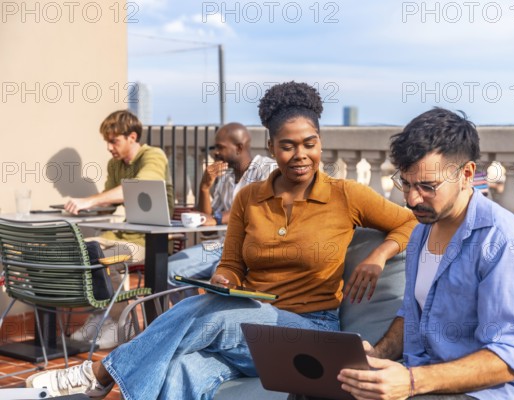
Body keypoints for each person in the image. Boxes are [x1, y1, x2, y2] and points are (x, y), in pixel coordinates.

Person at [26, 81, 417, 399]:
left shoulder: (346, 194)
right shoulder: (250, 197)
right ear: (270, 148)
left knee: (213, 313)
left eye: (309, 143)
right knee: (183, 368)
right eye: (288, 145)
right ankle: (107, 376)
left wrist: (380, 254)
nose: (301, 155)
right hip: (248, 324)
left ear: (320, 142)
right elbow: (230, 262)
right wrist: (225, 279)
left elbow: (411, 223)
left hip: (310, 330)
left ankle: (99, 371)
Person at [336, 108, 514, 399]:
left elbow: (511, 356)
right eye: (406, 183)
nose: (413, 199)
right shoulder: (422, 231)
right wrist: (376, 358)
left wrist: (412, 381)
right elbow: (413, 315)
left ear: (466, 173)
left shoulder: (505, 243)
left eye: (427, 186)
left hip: (500, 392)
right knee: (322, 390)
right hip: (433, 381)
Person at [68, 110, 174, 349]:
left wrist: (89, 201)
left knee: (104, 258)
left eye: (113, 141)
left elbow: (139, 187)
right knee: (81, 250)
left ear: (132, 137)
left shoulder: (153, 156)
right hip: (120, 235)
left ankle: (118, 323)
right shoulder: (115, 164)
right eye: (107, 141)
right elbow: (110, 201)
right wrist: (83, 208)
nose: (108, 147)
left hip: (150, 241)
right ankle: (101, 316)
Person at [167, 122, 275, 296]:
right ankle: (190, 318)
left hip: (248, 248)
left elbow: (258, 209)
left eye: (220, 147)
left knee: (221, 281)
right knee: (167, 270)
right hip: (219, 246)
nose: (215, 153)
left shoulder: (267, 170)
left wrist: (217, 218)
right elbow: (208, 230)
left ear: (239, 147)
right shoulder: (226, 178)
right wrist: (204, 187)